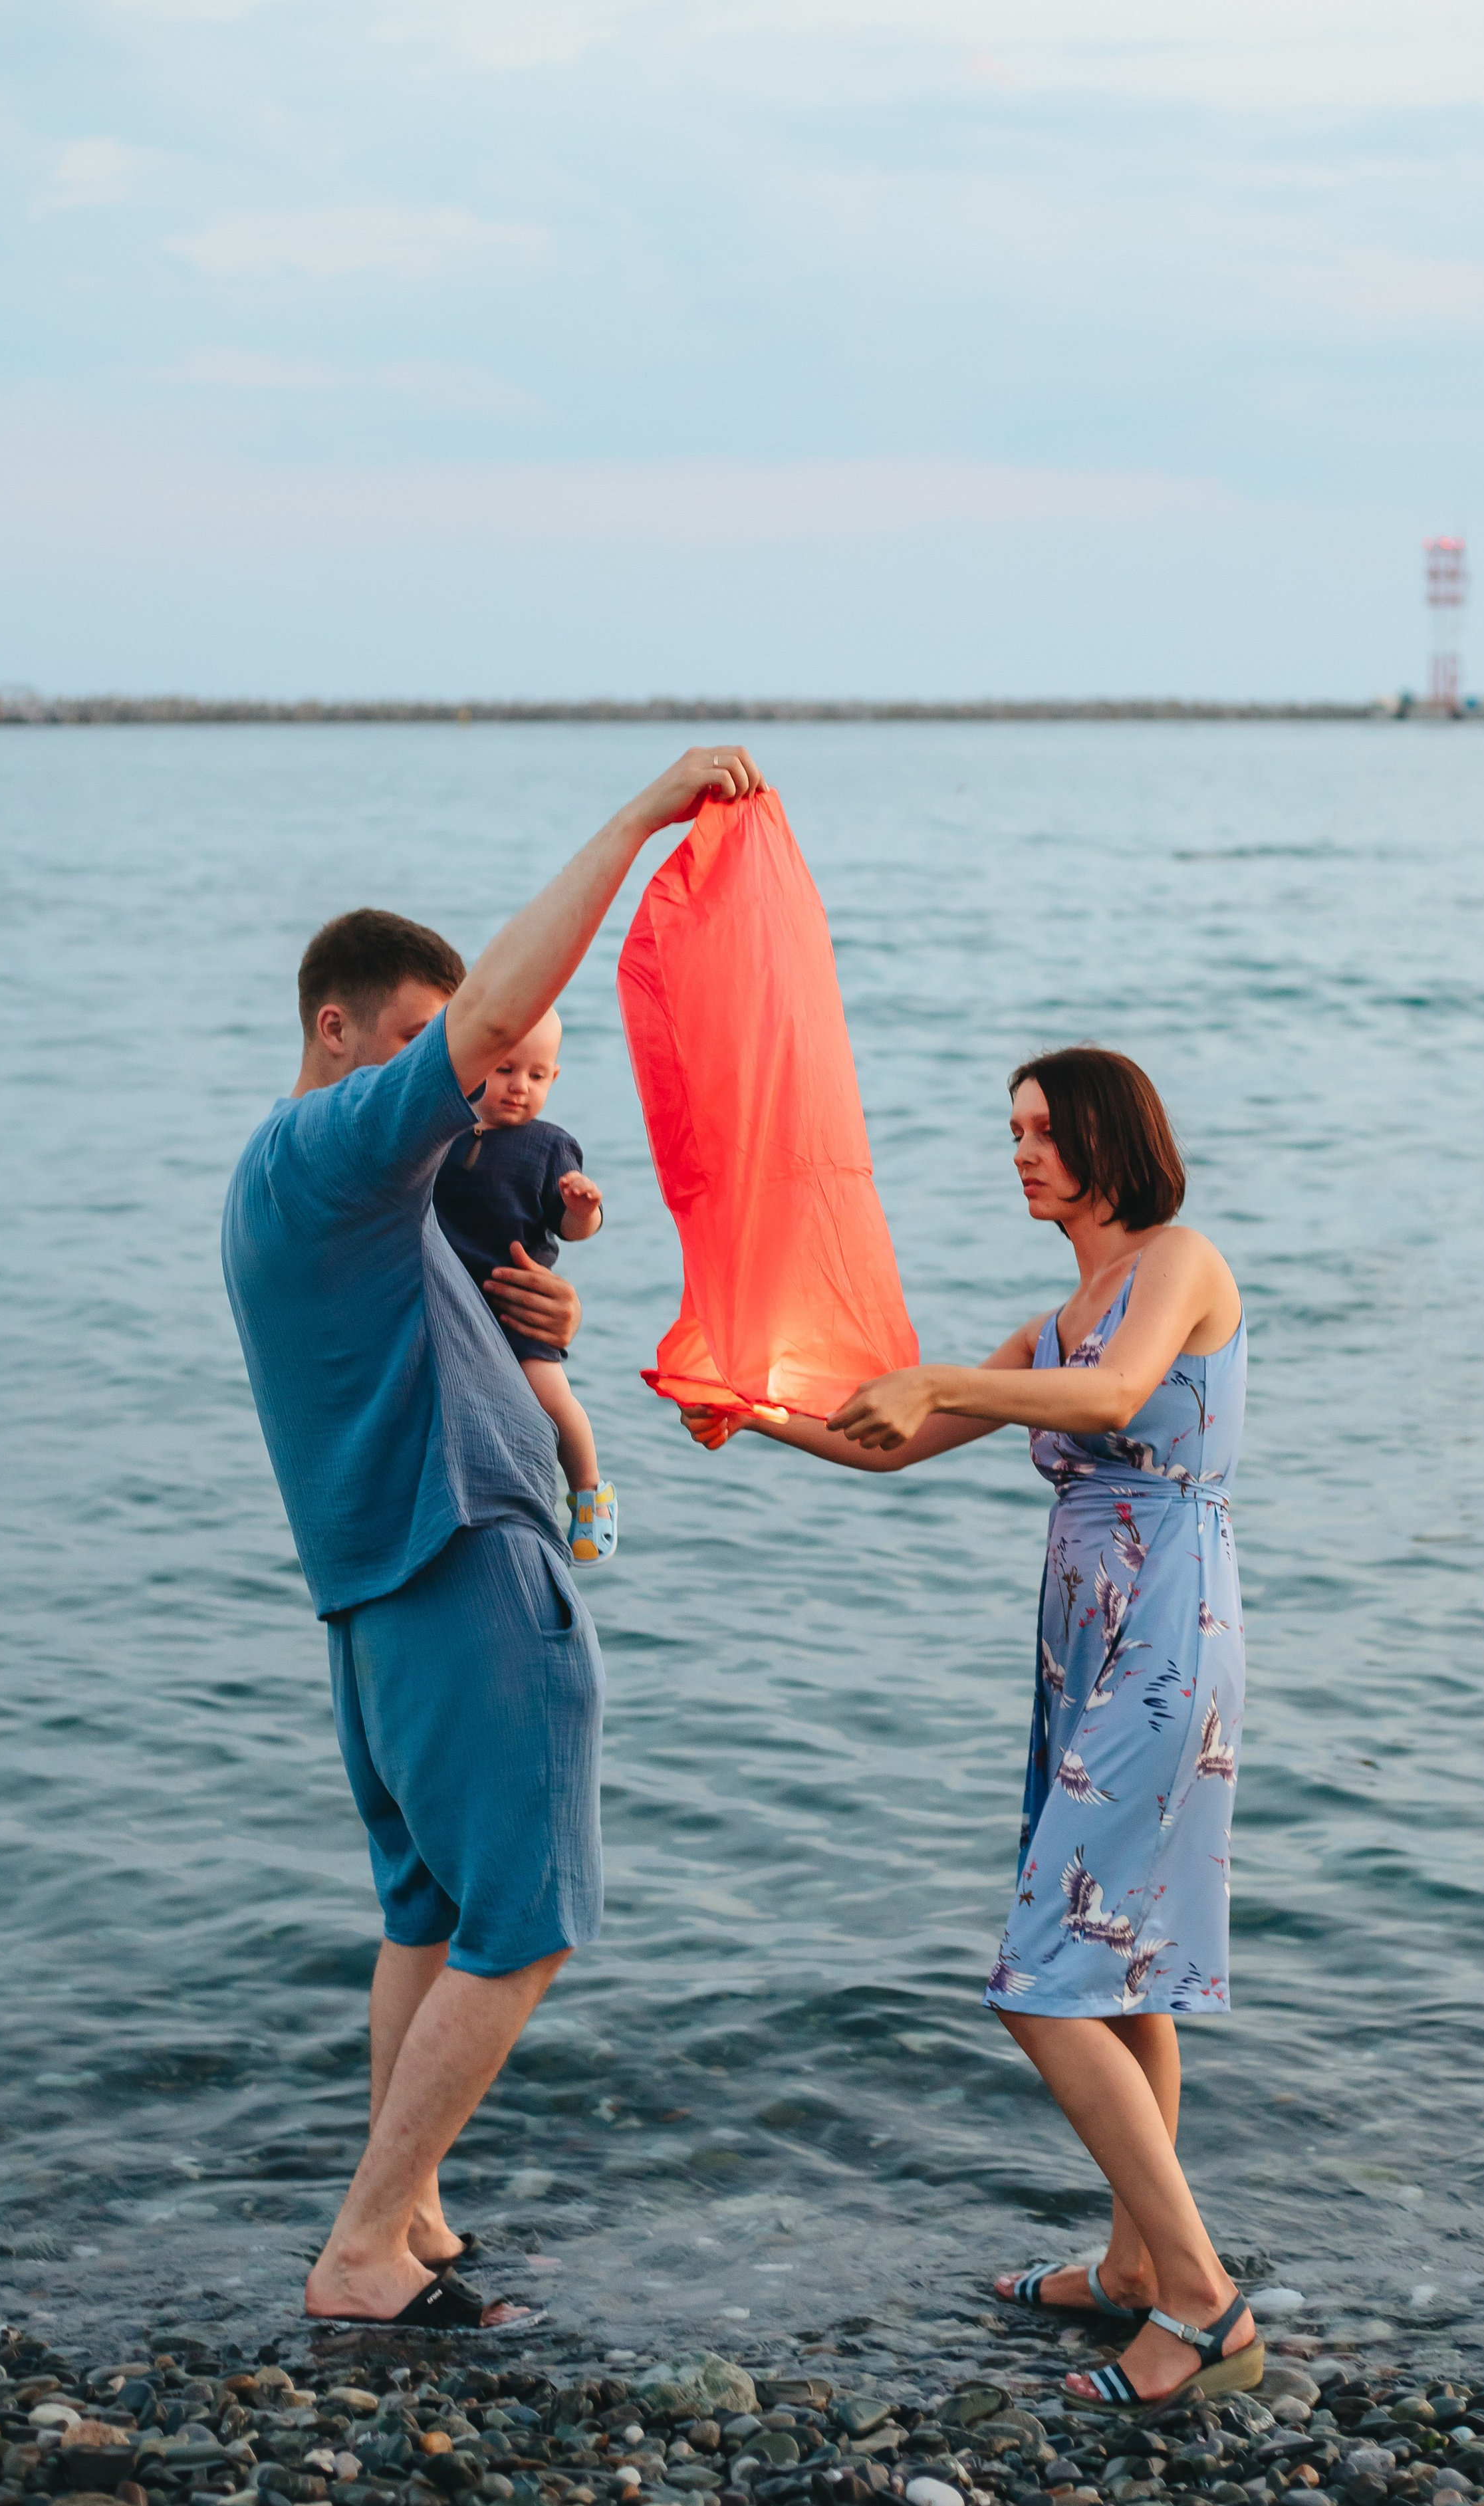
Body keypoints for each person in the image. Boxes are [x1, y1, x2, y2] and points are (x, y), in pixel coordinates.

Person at [221, 743, 765, 2331]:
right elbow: (486, 1026)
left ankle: (419, 2218)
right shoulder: (342, 1143)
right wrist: (634, 820)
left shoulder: (297, 1178)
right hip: (462, 1562)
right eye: (412, 1046)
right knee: (527, 1925)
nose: (450, 1086)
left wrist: (544, 1310)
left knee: (428, 1914)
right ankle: (365, 2243)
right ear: (340, 1030)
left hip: (373, 1597)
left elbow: (437, 1323)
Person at [678, 1047, 1261, 2410]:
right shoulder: (1055, 1316)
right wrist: (744, 1411)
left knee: (1042, 1973)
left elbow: (1114, 1400)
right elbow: (893, 1438)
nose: (1020, 1154)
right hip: (1085, 1644)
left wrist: (937, 1370)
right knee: (1121, 1961)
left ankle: (1198, 2301)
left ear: (1111, 1136)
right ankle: (1129, 2265)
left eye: (1044, 1131)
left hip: (1167, 1634)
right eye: (1010, 1133)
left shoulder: (1176, 1264)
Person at [432, 1006, 616, 1566]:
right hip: (449, 1302)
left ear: (554, 1079)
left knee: (552, 1398)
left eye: (537, 1077)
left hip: (517, 1308)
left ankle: (589, 1493)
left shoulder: (548, 1147)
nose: (520, 1088)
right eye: (507, 1070)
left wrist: (585, 1209)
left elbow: (571, 1226)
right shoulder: (439, 1133)